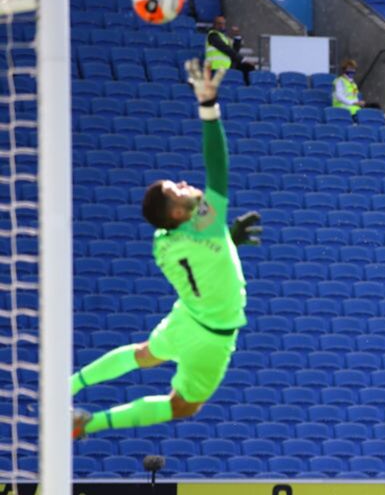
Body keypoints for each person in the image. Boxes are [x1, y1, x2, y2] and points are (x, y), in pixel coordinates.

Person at [71, 60, 261, 439]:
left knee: (144, 355)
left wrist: (228, 243)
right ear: (176, 212)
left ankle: (71, 384)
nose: (184, 183)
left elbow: (205, 259)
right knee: (183, 406)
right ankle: (89, 425)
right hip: (213, 334)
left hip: (185, 318)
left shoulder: (164, 242)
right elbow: (218, 168)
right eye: (177, 188)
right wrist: (208, 106)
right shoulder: (206, 224)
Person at [205, 15, 254, 85]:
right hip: (215, 68)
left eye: (223, 23)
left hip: (226, 68)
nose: (222, 26)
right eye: (219, 23)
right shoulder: (212, 35)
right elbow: (226, 49)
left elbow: (234, 50)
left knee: (248, 68)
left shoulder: (224, 37)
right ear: (214, 24)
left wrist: (237, 37)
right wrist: (243, 59)